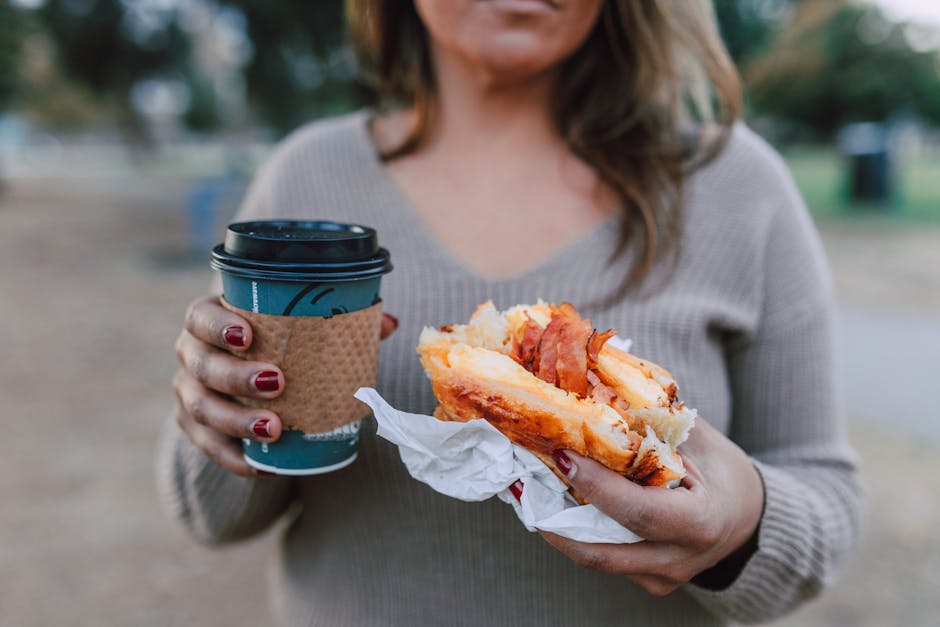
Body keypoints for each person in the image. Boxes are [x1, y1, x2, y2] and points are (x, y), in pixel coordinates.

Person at [157, 1, 861, 625]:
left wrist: (742, 522)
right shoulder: (309, 178)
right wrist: (225, 416)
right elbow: (211, 516)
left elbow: (824, 504)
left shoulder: (735, 187)